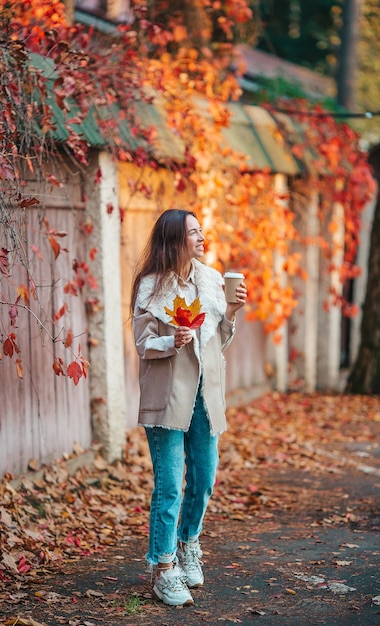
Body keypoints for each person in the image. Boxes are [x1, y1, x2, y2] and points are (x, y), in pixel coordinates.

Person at [130, 208, 247, 606]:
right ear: (174, 240)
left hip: (204, 397)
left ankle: (187, 544)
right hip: (167, 399)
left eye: (201, 231)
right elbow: (143, 344)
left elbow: (218, 343)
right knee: (169, 486)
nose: (201, 237)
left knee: (205, 478)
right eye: (193, 232)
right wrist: (171, 340)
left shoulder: (212, 281)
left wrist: (230, 312)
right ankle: (163, 568)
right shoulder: (151, 287)